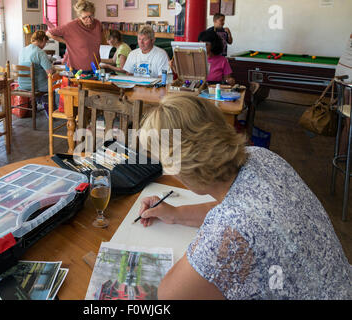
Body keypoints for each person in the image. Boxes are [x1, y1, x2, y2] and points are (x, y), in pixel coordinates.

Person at [138, 94, 352, 300]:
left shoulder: (229, 232)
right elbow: (244, 211)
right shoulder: (262, 156)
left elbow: (169, 294)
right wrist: (175, 214)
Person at [45, 0, 104, 74]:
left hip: (94, 66)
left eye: (91, 16)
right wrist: (66, 41)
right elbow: (48, 33)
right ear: (79, 16)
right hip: (75, 68)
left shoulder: (98, 24)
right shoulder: (71, 26)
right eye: (84, 17)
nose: (89, 19)